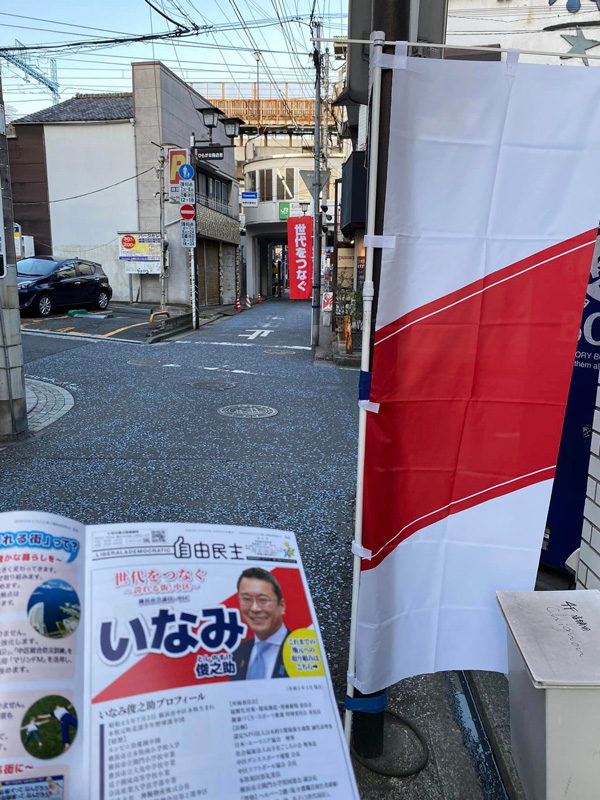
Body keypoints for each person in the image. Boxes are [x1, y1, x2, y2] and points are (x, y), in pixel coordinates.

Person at [231, 567, 289, 680]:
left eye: (263, 600)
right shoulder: (238, 653)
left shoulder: (301, 649)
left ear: (281, 606)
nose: (254, 608)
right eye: (246, 599)